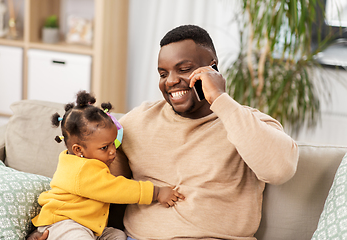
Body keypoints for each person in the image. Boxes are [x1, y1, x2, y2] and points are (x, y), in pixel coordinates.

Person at [29, 25, 299, 240]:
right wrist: (51, 229)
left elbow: (280, 170)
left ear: (213, 67)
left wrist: (220, 99)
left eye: (184, 69)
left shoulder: (245, 122)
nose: (170, 81)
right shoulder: (139, 120)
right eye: (163, 73)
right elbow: (87, 181)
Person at [30, 91, 185, 240]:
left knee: (118, 236)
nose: (113, 152)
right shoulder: (81, 170)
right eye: (105, 147)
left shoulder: (81, 161)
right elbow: (116, 189)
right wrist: (156, 192)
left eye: (114, 143)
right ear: (78, 150)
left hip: (89, 226)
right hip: (64, 223)